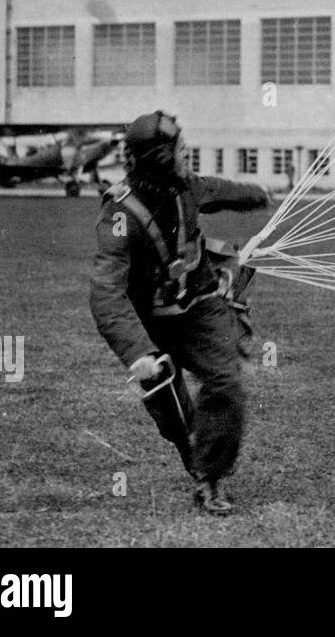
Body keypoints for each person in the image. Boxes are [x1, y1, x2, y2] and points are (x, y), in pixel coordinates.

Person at [89, 111, 270, 515]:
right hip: (149, 323)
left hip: (197, 308)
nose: (186, 152)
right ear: (157, 157)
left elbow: (218, 190)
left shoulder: (185, 187)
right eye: (178, 148)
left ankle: (208, 479)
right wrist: (138, 353)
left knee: (227, 385)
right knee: (170, 407)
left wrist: (256, 194)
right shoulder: (119, 217)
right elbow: (106, 293)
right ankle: (195, 457)